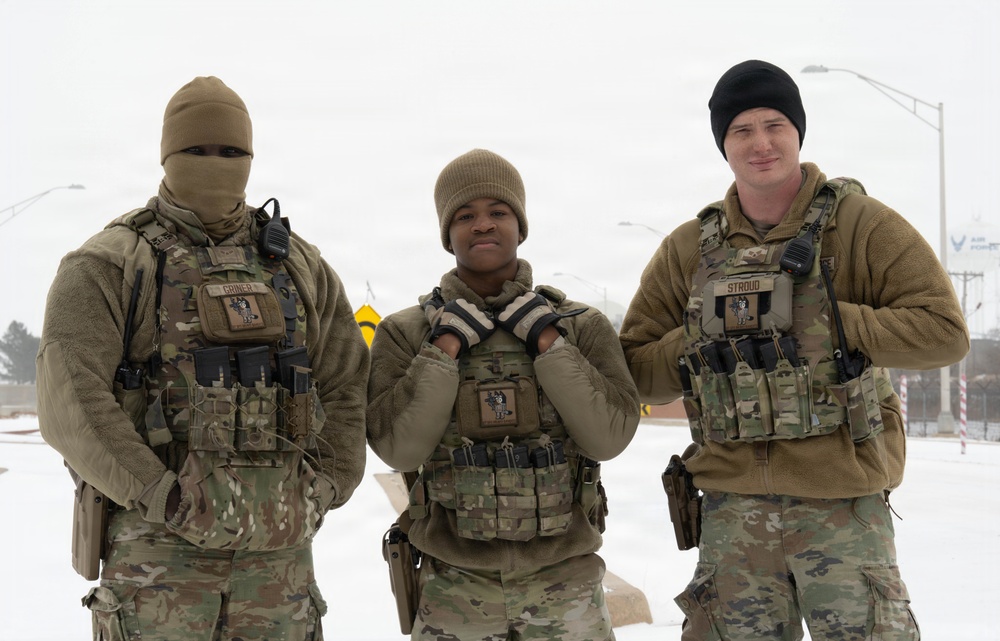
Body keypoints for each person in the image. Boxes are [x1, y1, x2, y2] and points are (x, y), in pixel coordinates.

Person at [619, 60, 969, 641]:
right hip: (732, 515)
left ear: (798, 131)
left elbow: (944, 332)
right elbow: (635, 372)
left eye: (775, 123)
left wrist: (832, 319)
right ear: (723, 146)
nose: (761, 143)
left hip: (843, 509)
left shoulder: (860, 226)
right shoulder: (688, 248)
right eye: (741, 130)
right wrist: (705, 335)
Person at [37, 76, 369, 640]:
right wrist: (161, 495)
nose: (215, 163)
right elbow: (72, 399)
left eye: (231, 151)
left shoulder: (300, 266)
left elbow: (345, 384)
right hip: (157, 567)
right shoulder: (109, 261)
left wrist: (328, 487)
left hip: (280, 569)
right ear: (167, 155)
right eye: (196, 150)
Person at [366, 148, 640, 641]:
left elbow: (610, 438)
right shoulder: (406, 332)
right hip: (454, 584)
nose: (483, 225)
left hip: (566, 580)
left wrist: (548, 343)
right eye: (465, 215)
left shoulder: (579, 325)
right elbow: (397, 448)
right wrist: (442, 349)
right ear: (447, 234)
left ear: (521, 224)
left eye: (499, 212)